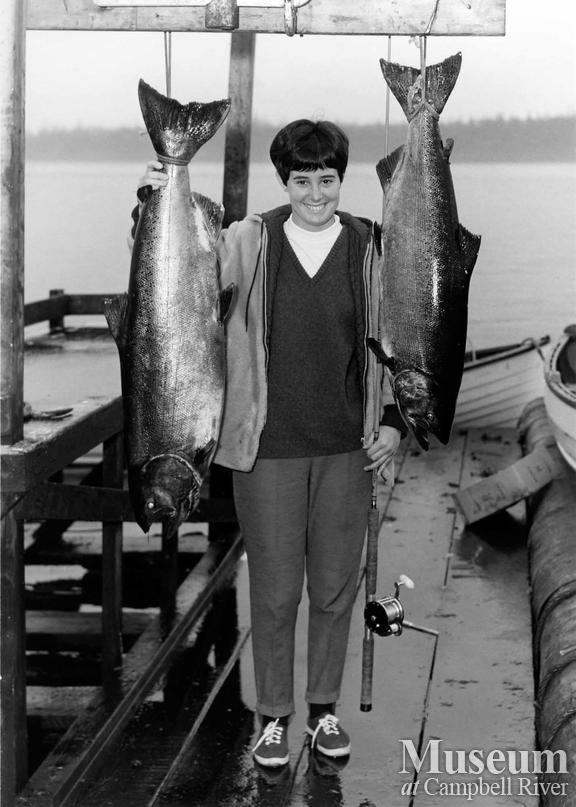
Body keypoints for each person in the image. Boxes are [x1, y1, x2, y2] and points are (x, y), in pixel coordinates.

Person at [130, 119, 405, 769]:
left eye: (328, 179)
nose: (316, 193)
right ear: (284, 180)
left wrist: (393, 420)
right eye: (303, 179)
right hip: (266, 448)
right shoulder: (246, 240)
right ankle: (275, 716)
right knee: (276, 592)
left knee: (336, 589)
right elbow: (175, 274)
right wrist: (149, 204)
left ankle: (324, 711)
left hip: (348, 447)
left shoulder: (372, 245)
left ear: (342, 179)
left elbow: (399, 341)